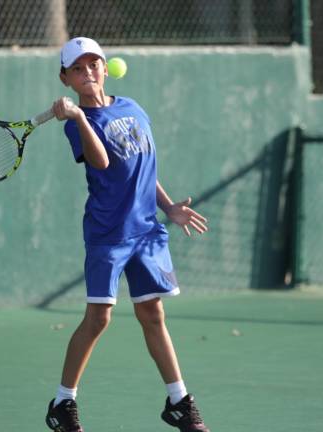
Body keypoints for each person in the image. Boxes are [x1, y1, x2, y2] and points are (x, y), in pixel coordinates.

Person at [44, 37, 211, 432]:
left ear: (106, 67)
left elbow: (143, 168)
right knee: (99, 318)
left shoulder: (133, 108)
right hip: (108, 234)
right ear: (65, 79)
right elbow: (101, 162)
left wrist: (168, 206)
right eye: (78, 69)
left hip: (146, 232)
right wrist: (80, 119)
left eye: (94, 65)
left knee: (153, 314)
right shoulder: (76, 125)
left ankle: (179, 403)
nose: (88, 73)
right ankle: (62, 403)